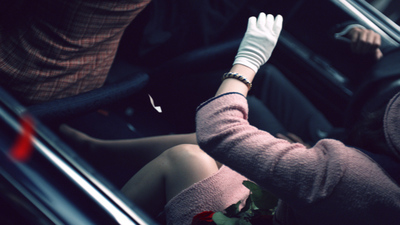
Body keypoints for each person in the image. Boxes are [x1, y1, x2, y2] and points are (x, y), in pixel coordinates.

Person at [62, 12, 400, 224]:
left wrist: (248, 59)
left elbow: (219, 130)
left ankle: (79, 212)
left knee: (187, 157)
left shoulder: (344, 173)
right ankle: (95, 148)